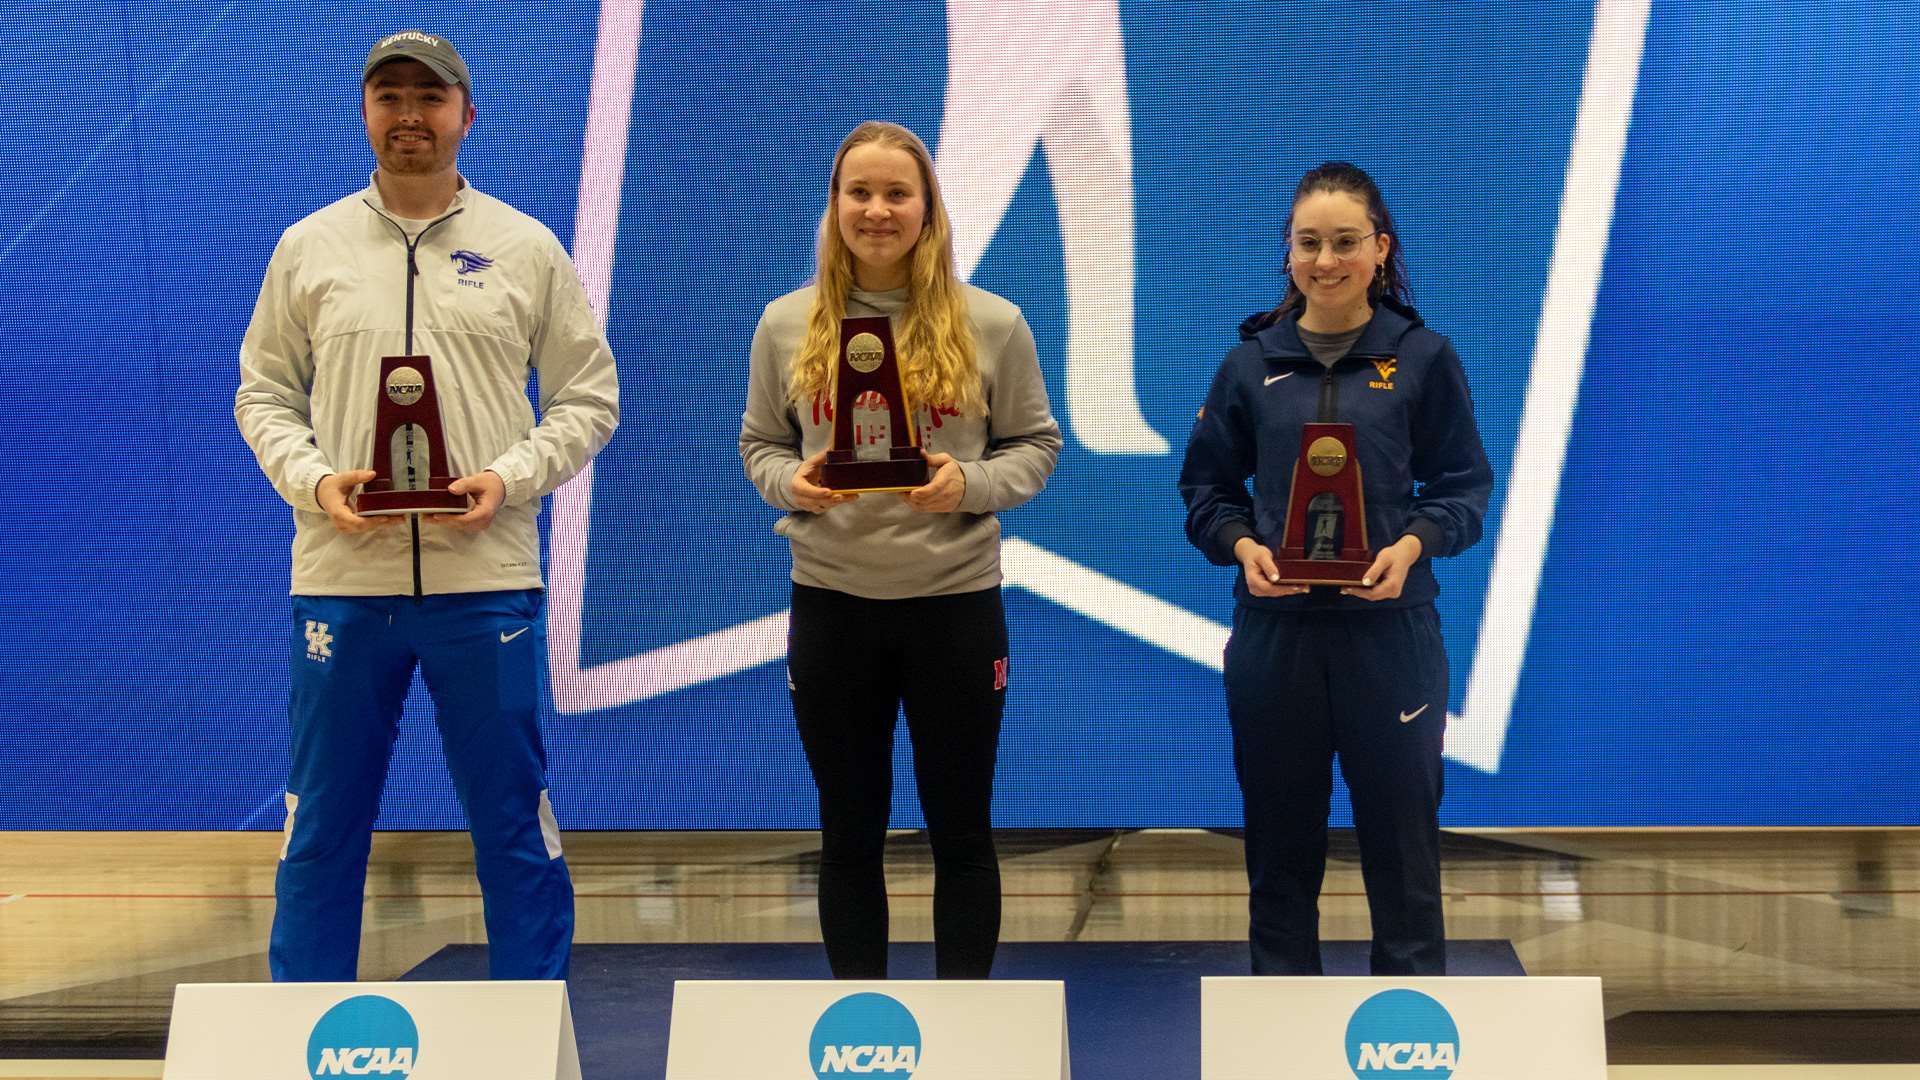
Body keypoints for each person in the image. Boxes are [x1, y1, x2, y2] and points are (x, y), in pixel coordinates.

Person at [235, 29, 619, 981]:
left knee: (511, 823)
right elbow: (261, 393)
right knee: (322, 825)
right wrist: (316, 483)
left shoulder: (525, 247)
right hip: (343, 579)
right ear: (366, 112)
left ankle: (532, 1028)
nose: (410, 116)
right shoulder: (307, 246)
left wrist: (512, 475)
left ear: (466, 115)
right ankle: (300, 1032)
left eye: (430, 98)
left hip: (483, 580)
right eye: (390, 97)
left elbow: (589, 397)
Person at [740, 121, 1061, 979]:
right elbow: (759, 445)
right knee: (848, 833)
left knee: (962, 831)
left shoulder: (992, 322)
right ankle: (864, 1031)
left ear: (928, 209)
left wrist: (971, 485)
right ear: (835, 204)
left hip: (955, 611)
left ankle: (961, 1036)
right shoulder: (784, 324)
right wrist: (792, 484)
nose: (877, 211)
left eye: (896, 193)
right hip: (832, 606)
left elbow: (1035, 446)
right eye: (860, 192)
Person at [1179, 161, 1491, 975]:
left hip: (1391, 637)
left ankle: (1411, 1044)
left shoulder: (1423, 357)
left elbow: (1463, 489)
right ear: (1287, 253)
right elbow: (1207, 491)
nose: (1326, 260)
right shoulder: (1250, 365)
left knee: (1404, 856)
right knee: (1279, 856)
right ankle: (1285, 1042)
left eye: (1345, 242)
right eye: (1309, 243)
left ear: (1380, 250)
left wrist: (1412, 544)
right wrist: (1243, 547)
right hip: (1274, 639)